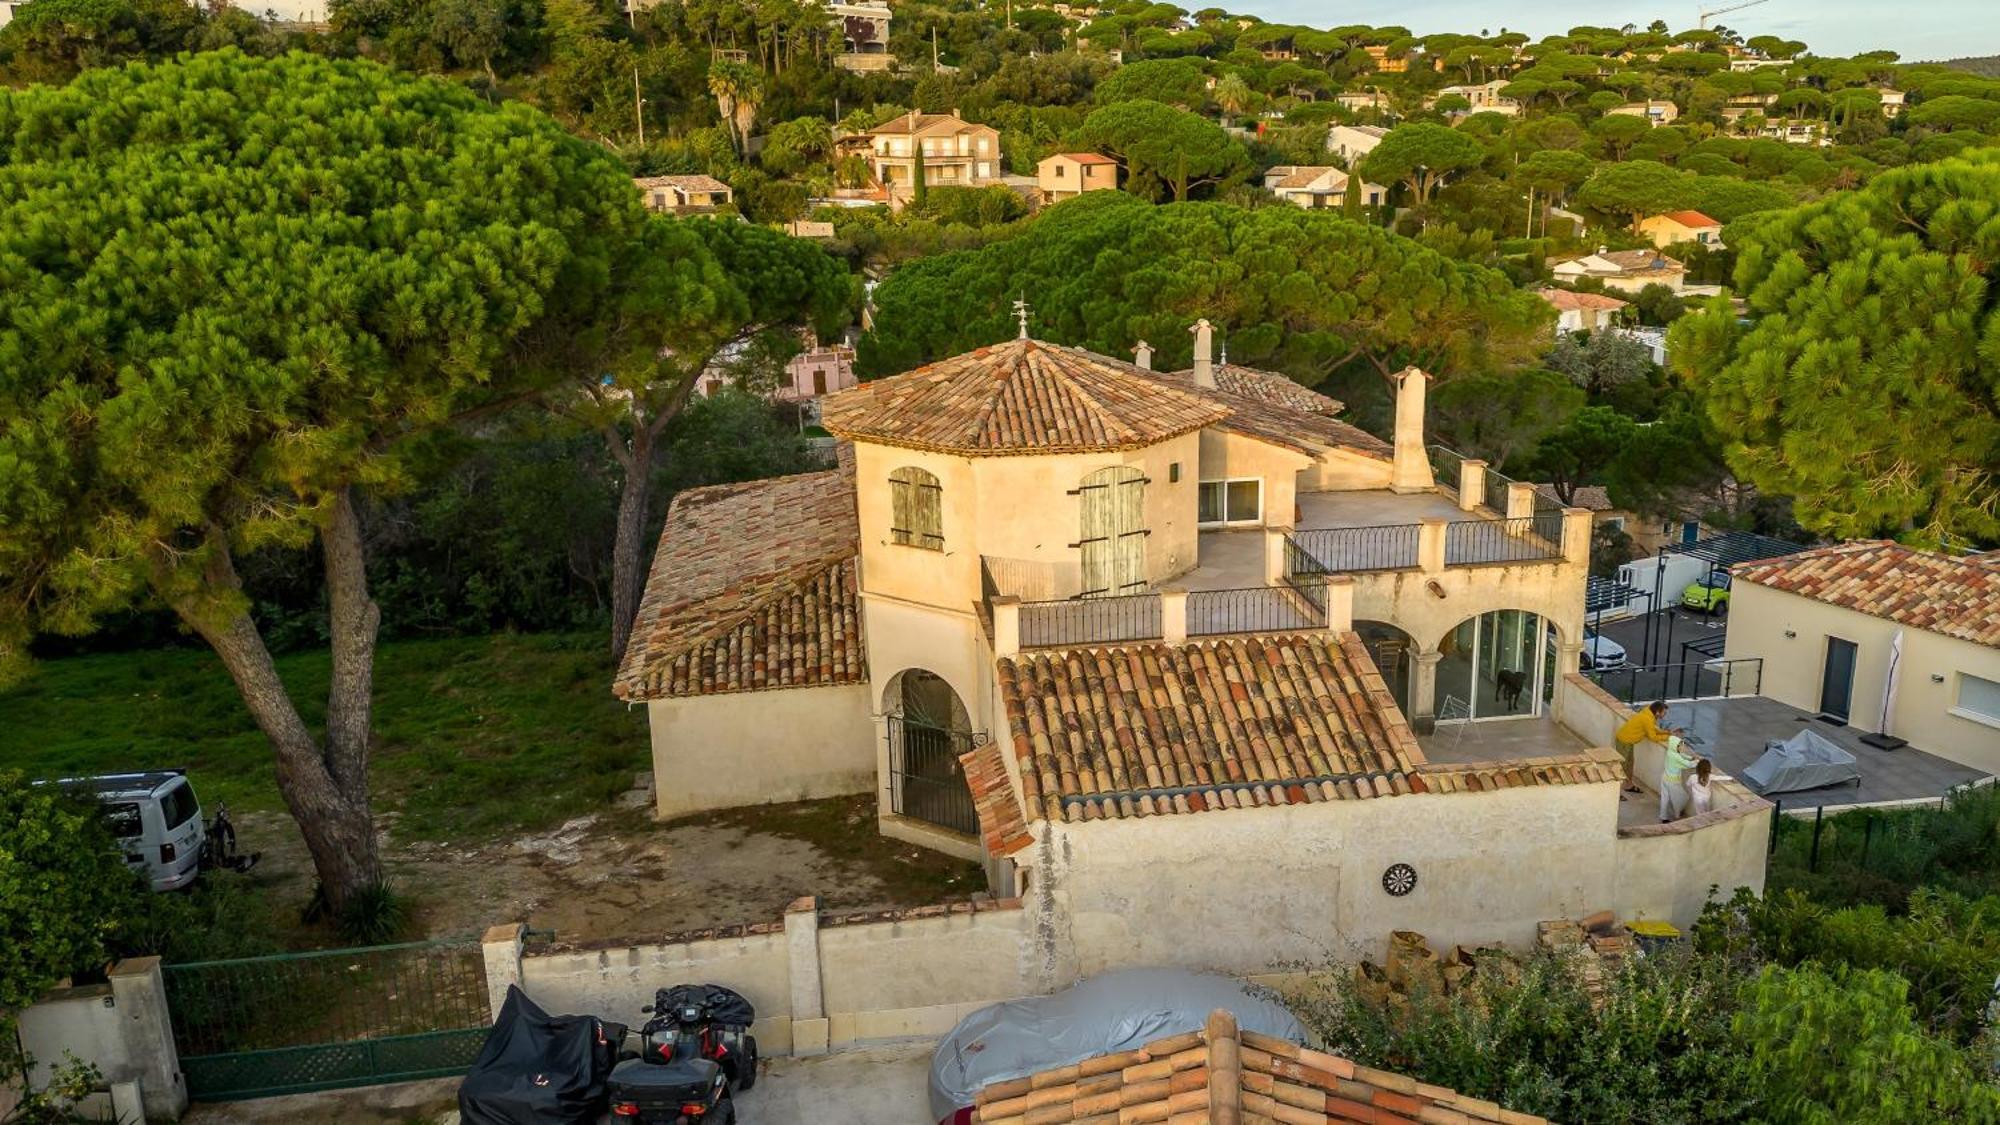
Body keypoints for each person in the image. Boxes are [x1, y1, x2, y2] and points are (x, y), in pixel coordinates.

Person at [1614, 701, 1676, 797]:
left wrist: (1667, 733)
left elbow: (1652, 728)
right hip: (1624, 741)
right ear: (1657, 712)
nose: (1665, 714)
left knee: (1629, 764)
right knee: (1622, 767)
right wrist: (1669, 738)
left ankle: (1628, 785)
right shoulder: (1647, 718)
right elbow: (1653, 737)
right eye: (1664, 712)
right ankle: (1615, 792)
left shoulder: (1648, 713)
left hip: (1628, 741)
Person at [1660, 735, 1698, 823]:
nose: (1682, 747)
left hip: (1664, 778)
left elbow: (1682, 756)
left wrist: (1690, 758)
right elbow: (1688, 764)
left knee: (1665, 798)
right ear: (1675, 746)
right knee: (1682, 797)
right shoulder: (1676, 756)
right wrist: (1697, 761)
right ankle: (1677, 815)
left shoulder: (1670, 751)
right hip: (1672, 781)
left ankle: (1663, 817)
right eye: (1680, 745)